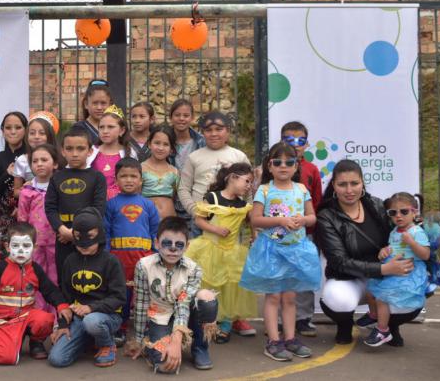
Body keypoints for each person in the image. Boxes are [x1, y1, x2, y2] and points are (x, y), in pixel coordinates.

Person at [315, 159, 419, 347]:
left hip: (384, 277)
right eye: (342, 184)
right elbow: (339, 262)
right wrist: (384, 268)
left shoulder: (379, 206)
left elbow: (399, 236)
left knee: (412, 297)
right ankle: (345, 326)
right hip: (349, 279)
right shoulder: (326, 216)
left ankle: (390, 328)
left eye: (354, 183)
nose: (349, 190)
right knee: (338, 300)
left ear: (362, 183)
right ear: (334, 186)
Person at [239, 142, 320, 362]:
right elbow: (255, 219)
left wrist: (303, 219)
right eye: (277, 162)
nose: (283, 166)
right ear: (270, 166)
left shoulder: (301, 189)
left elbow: (312, 217)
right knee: (273, 296)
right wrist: (280, 220)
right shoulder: (264, 190)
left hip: (295, 250)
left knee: (290, 297)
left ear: (296, 166)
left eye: (289, 162)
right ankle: (274, 341)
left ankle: (291, 338)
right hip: (272, 251)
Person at [126, 216, 218, 373]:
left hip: (186, 315)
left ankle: (200, 348)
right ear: (156, 243)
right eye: (167, 243)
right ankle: (158, 342)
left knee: (207, 298)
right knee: (165, 365)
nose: (173, 249)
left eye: (179, 244)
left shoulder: (193, 268)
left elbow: (183, 304)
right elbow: (141, 304)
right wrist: (140, 341)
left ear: (187, 246)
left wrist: (176, 338)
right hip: (159, 316)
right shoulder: (143, 266)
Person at [0, 222, 73, 364]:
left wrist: (62, 305)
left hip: (27, 316)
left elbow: (50, 291)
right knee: (6, 358)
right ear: (7, 247)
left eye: (26, 246)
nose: (20, 251)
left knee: (45, 319)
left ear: (34, 247)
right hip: (4, 321)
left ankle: (36, 342)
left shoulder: (36, 269)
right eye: (15, 246)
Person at [185, 162, 258, 343]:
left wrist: (254, 235)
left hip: (232, 251)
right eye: (247, 181)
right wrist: (215, 230)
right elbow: (199, 221)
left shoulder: (243, 205)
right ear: (233, 177)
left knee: (228, 289)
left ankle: (224, 326)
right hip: (209, 248)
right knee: (208, 285)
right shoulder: (213, 198)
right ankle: (204, 322)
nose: (248, 186)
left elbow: (251, 223)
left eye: (251, 183)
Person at [48, 207, 127, 368]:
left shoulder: (111, 262)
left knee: (92, 321)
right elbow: (66, 295)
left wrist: (91, 308)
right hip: (79, 318)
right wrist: (63, 325)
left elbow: (119, 298)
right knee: (57, 359)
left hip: (107, 316)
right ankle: (88, 339)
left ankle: (106, 344)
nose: (84, 245)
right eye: (78, 238)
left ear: (99, 235)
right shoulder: (70, 261)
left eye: (90, 237)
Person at [104, 157, 160, 345]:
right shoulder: (111, 204)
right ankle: (120, 326)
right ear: (116, 180)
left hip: (143, 257)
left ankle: (146, 326)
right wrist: (106, 254)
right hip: (118, 257)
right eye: (124, 176)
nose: (129, 180)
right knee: (122, 292)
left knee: (145, 292)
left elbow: (155, 231)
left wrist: (155, 254)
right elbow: (106, 231)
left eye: (133, 176)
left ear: (141, 180)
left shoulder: (148, 204)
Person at [365, 192, 430, 347]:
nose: (398, 216)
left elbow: (426, 254)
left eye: (404, 211)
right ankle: (374, 315)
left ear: (414, 212)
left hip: (409, 273)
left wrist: (412, 243)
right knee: (370, 290)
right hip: (393, 269)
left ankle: (383, 330)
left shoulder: (416, 232)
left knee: (382, 298)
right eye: (393, 213)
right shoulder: (394, 231)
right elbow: (392, 248)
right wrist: (384, 252)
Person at [45, 127, 107, 283]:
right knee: (66, 278)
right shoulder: (56, 177)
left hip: (90, 238)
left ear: (90, 151)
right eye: (69, 149)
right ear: (62, 151)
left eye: (80, 148)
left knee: (91, 278)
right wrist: (63, 230)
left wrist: (77, 233)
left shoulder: (97, 177)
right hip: (63, 238)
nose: (74, 153)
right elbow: (50, 208)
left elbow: (98, 208)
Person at [178, 111, 251, 237]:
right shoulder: (194, 157)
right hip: (201, 222)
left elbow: (249, 188)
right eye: (208, 130)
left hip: (231, 220)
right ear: (202, 132)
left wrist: (248, 212)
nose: (213, 134)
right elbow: (183, 188)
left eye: (219, 129)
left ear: (228, 131)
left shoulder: (238, 156)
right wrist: (195, 211)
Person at [281, 121, 323, 337]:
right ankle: (283, 318)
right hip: (278, 235)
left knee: (304, 275)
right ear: (281, 142)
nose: (295, 145)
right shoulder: (275, 166)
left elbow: (317, 200)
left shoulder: (312, 170)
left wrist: (310, 224)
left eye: (300, 141)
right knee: (281, 276)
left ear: (307, 144)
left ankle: (304, 318)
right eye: (289, 140)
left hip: (304, 234)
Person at [17, 144, 59, 311]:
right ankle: (38, 314)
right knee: (35, 277)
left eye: (44, 160)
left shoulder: (60, 188)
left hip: (57, 242)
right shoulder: (27, 191)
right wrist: (25, 242)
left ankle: (57, 315)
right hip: (34, 244)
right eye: (35, 161)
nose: (39, 164)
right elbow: (22, 219)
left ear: (55, 163)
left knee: (55, 278)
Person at [0, 111, 27, 251]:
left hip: (29, 215)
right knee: (5, 260)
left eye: (18, 127)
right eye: (8, 128)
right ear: (2, 130)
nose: (13, 132)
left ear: (25, 130)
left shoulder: (33, 155)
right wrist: (7, 174)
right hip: (5, 218)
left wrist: (22, 206)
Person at [167, 99, 205, 228]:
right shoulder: (163, 141)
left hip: (195, 201)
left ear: (192, 118)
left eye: (186, 115)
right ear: (171, 117)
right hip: (170, 202)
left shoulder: (201, 142)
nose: (181, 119)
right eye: (177, 115)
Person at [88, 105, 135, 200]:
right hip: (95, 201)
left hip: (122, 201)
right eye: (101, 127)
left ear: (122, 130)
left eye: (110, 127)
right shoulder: (91, 151)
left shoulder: (129, 153)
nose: (105, 131)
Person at [12, 116, 57, 198]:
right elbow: (16, 192)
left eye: (42, 133)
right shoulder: (22, 160)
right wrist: (27, 189)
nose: (36, 137)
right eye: (32, 133)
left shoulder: (59, 157)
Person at [141, 124, 179, 219]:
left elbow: (175, 196)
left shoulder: (174, 172)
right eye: (157, 143)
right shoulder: (140, 168)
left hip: (169, 221)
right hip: (146, 220)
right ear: (149, 144)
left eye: (166, 144)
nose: (160, 148)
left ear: (171, 149)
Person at [71, 79, 113, 145]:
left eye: (103, 103)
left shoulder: (116, 128)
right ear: (86, 104)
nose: (99, 107)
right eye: (95, 103)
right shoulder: (78, 129)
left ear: (110, 105)